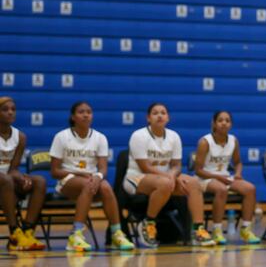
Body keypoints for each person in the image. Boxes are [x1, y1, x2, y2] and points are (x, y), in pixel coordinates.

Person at [123, 102, 215, 247]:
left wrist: (172, 176)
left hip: (165, 179)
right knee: (165, 184)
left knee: (194, 184)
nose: (159, 115)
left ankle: (198, 229)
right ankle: (148, 223)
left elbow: (176, 165)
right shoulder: (139, 136)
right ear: (148, 118)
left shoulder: (174, 136)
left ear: (168, 118)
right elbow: (145, 167)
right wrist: (170, 177)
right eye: (155, 113)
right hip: (137, 177)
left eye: (163, 113)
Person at [50, 101, 135, 251]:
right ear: (73, 117)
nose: (85, 115)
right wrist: (78, 173)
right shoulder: (61, 137)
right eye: (81, 112)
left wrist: (98, 177)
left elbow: (103, 168)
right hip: (67, 181)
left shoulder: (100, 138)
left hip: (91, 181)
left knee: (106, 187)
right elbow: (55, 172)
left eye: (88, 112)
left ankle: (117, 234)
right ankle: (75, 235)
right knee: (88, 184)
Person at [193, 111, 261, 245]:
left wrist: (238, 173)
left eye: (227, 120)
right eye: (220, 120)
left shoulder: (233, 140)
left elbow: (238, 162)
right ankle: (217, 230)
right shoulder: (205, 142)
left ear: (231, 124)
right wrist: (218, 177)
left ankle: (246, 229)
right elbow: (198, 170)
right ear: (214, 123)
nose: (224, 123)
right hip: (204, 178)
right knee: (222, 189)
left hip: (224, 177)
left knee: (250, 189)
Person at [0, 96, 46, 251]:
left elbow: (13, 168)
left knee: (39, 181)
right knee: (6, 180)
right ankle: (14, 232)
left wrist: (19, 176)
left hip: (7, 180)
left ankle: (27, 230)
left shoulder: (20, 137)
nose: (10, 113)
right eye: (5, 110)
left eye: (13, 109)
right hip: (4, 181)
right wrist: (12, 176)